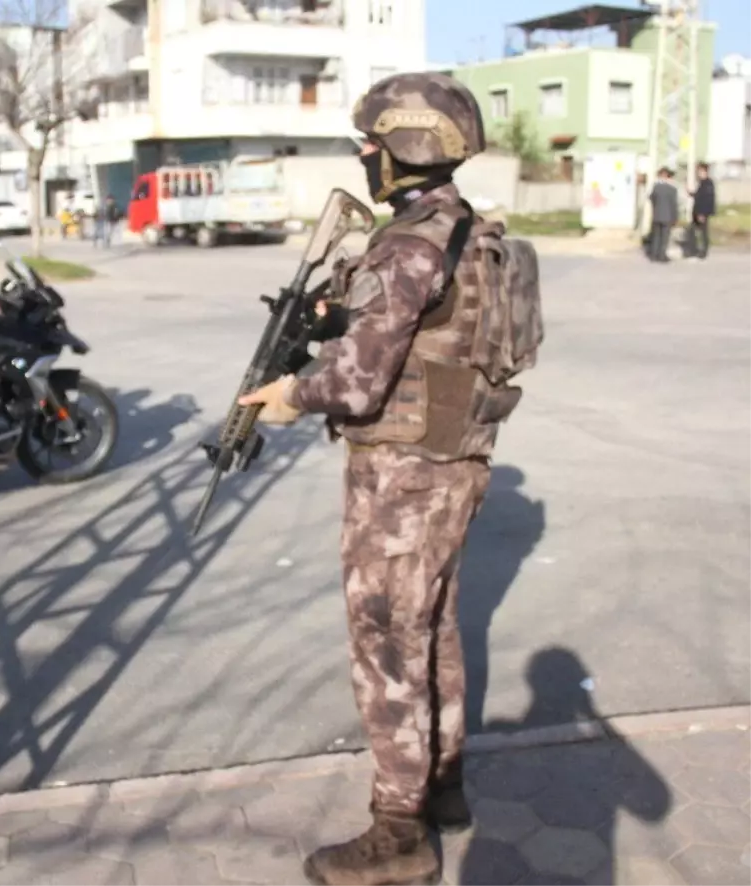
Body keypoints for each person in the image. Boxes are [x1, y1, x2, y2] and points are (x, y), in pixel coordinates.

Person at [239, 72, 541, 885]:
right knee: (431, 628)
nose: (364, 157)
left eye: (371, 145)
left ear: (406, 148)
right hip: (452, 462)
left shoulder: (408, 243)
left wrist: (289, 395)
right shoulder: (466, 231)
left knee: (386, 642)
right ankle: (441, 787)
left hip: (403, 475)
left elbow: (358, 382)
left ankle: (398, 834)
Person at [647, 167, 678, 263]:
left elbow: (651, 198)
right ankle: (662, 255)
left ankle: (654, 255)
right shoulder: (672, 189)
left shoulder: (656, 187)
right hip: (668, 216)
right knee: (665, 237)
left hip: (657, 215)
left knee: (656, 236)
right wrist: (675, 217)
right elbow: (674, 204)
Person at [687, 162, 716, 260]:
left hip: (702, 213)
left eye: (699, 171)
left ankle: (703, 251)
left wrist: (703, 213)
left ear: (704, 171)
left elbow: (707, 200)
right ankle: (694, 250)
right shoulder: (702, 183)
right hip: (697, 212)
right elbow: (699, 197)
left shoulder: (708, 183)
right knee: (693, 231)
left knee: (703, 232)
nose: (697, 173)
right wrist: (691, 193)